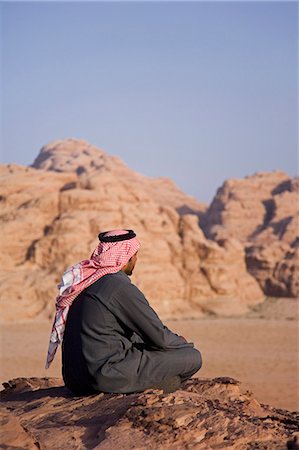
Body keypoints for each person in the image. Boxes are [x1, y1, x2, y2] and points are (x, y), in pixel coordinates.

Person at [46, 229, 202, 395]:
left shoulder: (85, 283)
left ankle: (155, 384)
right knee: (192, 357)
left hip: (75, 379)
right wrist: (181, 343)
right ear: (125, 257)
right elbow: (158, 336)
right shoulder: (118, 286)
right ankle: (154, 386)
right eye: (134, 255)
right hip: (104, 375)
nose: (136, 259)